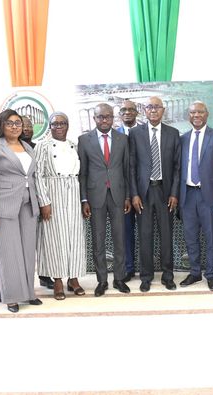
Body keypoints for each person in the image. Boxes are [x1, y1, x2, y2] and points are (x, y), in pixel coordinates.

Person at [0, 109, 41, 313]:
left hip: (28, 204)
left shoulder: (26, 146)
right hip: (3, 206)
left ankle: (29, 293)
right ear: (1, 125)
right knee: (7, 253)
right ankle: (12, 297)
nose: (15, 126)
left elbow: (30, 177)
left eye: (17, 123)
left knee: (27, 251)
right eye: (9, 123)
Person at [78, 103, 131, 297]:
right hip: (95, 197)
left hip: (118, 195)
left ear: (113, 118)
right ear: (94, 118)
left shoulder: (123, 139)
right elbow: (82, 173)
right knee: (98, 241)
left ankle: (119, 278)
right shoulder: (84, 140)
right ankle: (101, 281)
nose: (105, 120)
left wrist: (127, 196)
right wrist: (84, 199)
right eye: (101, 117)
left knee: (119, 239)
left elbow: (127, 170)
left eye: (108, 116)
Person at [129, 96, 181, 292]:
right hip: (143, 193)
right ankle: (146, 276)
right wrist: (134, 194)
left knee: (166, 235)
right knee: (145, 235)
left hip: (165, 192)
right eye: (149, 107)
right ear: (144, 110)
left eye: (157, 107)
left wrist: (174, 193)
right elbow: (131, 167)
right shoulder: (135, 134)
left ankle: (168, 275)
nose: (153, 110)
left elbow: (177, 167)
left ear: (163, 110)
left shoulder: (173, 133)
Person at [35, 112, 86, 300]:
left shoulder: (75, 145)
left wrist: (83, 200)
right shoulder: (42, 146)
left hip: (72, 192)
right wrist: (44, 202)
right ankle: (57, 281)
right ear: (49, 126)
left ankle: (73, 279)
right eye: (55, 124)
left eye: (62, 123)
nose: (59, 126)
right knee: (54, 240)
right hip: (53, 193)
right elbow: (38, 175)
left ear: (68, 125)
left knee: (74, 237)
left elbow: (81, 175)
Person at [179, 101, 213, 291]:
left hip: (209, 197)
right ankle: (195, 272)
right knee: (190, 237)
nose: (196, 115)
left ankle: (210, 274)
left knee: (210, 237)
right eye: (192, 112)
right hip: (188, 195)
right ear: (188, 116)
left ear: (207, 114)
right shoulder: (182, 139)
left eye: (200, 112)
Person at [20, 115, 55, 290]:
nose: (27, 129)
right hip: (21, 202)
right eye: (23, 125)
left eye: (30, 126)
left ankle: (45, 275)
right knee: (24, 244)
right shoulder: (13, 149)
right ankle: (23, 281)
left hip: (39, 199)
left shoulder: (38, 148)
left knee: (43, 241)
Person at [117, 100, 143, 282]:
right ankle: (128, 268)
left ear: (137, 112)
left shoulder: (143, 133)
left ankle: (146, 267)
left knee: (145, 231)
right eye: (123, 110)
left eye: (131, 110)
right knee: (125, 232)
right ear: (119, 114)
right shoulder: (114, 135)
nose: (127, 112)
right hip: (121, 194)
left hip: (143, 192)